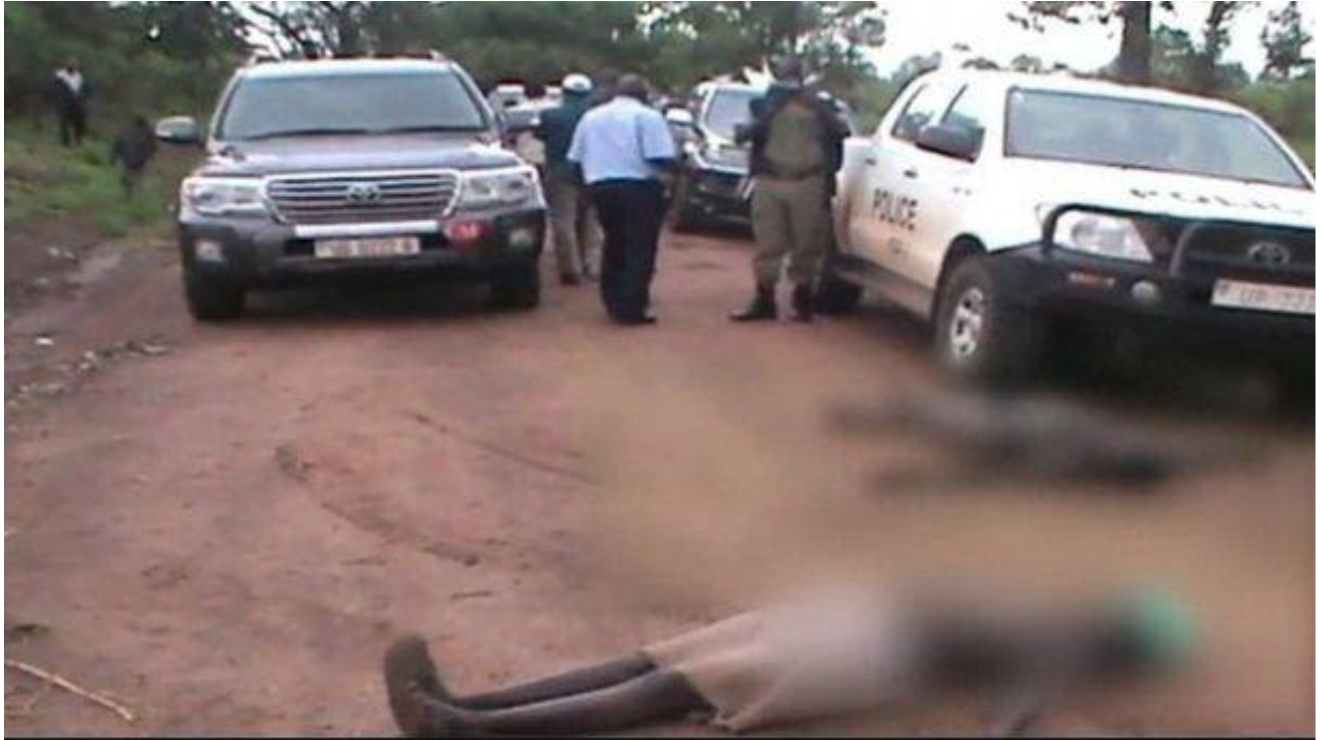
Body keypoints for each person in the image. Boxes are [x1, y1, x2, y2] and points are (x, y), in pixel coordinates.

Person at [383, 587, 1194, 737]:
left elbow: (1017, 709)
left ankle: (467, 730)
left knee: (672, 684)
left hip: (866, 654)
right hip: (851, 621)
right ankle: (471, 703)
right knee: (656, 658)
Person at [731, 58, 850, 323]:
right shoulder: (765, 104)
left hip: (808, 180)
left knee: (807, 243)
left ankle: (803, 300)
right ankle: (764, 299)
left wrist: (813, 103)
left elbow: (842, 131)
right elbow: (745, 134)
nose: (788, 81)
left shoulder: (819, 105)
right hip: (771, 179)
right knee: (768, 243)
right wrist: (774, 107)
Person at [567, 74, 677, 326]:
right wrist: (679, 170)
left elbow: (575, 160)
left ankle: (612, 300)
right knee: (639, 247)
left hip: (601, 186)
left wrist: (585, 190)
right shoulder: (647, 117)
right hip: (639, 187)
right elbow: (658, 156)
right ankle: (631, 306)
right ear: (643, 95)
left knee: (614, 242)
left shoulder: (591, 117)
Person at [535, 73, 603, 285]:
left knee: (563, 221)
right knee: (591, 221)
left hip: (560, 171)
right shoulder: (597, 116)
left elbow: (539, 135)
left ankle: (569, 268)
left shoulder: (550, 115)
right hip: (593, 171)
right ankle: (591, 264)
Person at [110, 115, 158, 197]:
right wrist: (150, 156)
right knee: (139, 176)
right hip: (140, 159)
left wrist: (113, 158)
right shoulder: (148, 131)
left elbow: (117, 145)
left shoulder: (125, 131)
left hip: (127, 158)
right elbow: (153, 146)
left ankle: (128, 191)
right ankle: (138, 194)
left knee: (128, 174)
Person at [51, 58, 91, 147]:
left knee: (79, 122)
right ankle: (65, 142)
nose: (74, 68)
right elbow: (53, 90)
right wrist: (58, 100)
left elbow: (87, 90)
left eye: (75, 66)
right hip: (64, 103)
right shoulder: (59, 76)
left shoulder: (80, 77)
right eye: (72, 66)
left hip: (77, 103)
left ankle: (78, 140)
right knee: (64, 123)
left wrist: (83, 98)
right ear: (67, 67)